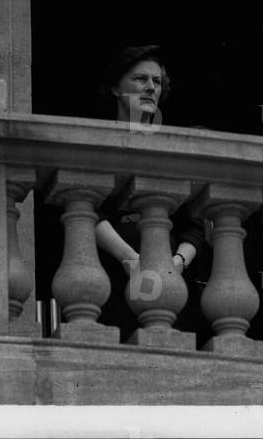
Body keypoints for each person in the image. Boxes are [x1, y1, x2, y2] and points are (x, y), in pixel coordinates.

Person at [96, 45, 208, 340]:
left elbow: (193, 226)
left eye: (156, 82)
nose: (150, 88)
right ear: (115, 89)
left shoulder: (172, 151)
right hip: (112, 278)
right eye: (140, 79)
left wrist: (175, 265)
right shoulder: (96, 143)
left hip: (169, 285)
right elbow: (86, 211)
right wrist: (130, 259)